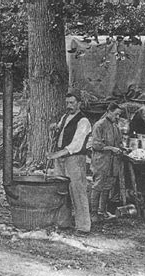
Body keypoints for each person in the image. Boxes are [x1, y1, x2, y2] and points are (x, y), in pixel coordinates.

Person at [47, 92, 92, 235]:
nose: (69, 106)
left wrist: (56, 154)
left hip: (75, 159)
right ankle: (63, 222)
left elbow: (76, 145)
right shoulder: (65, 117)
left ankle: (83, 227)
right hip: (61, 158)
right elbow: (61, 128)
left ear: (79, 103)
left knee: (77, 191)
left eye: (72, 103)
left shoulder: (83, 121)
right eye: (67, 103)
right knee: (61, 190)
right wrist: (55, 127)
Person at [90, 103, 124, 222]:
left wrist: (120, 148)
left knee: (108, 186)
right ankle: (93, 213)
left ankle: (102, 211)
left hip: (112, 162)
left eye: (119, 115)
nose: (118, 117)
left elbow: (119, 142)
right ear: (109, 111)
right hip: (101, 161)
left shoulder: (115, 127)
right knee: (98, 186)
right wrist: (111, 148)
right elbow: (95, 145)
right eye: (116, 114)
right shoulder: (99, 125)